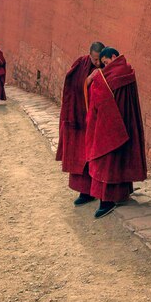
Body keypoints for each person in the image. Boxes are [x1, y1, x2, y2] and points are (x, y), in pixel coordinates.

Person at [83, 47, 147, 218]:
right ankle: (122, 193)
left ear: (113, 57)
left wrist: (93, 79)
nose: (105, 67)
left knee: (107, 160)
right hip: (127, 121)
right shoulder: (128, 71)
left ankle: (107, 200)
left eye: (106, 62)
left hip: (111, 123)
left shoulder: (113, 75)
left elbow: (99, 92)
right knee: (121, 158)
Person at [56, 42, 105, 206]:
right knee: (81, 155)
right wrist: (89, 79)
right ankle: (85, 191)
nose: (97, 63)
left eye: (100, 60)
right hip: (80, 119)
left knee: (100, 157)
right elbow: (72, 85)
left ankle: (103, 191)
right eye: (95, 59)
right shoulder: (81, 64)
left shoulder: (107, 65)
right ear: (89, 55)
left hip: (98, 120)